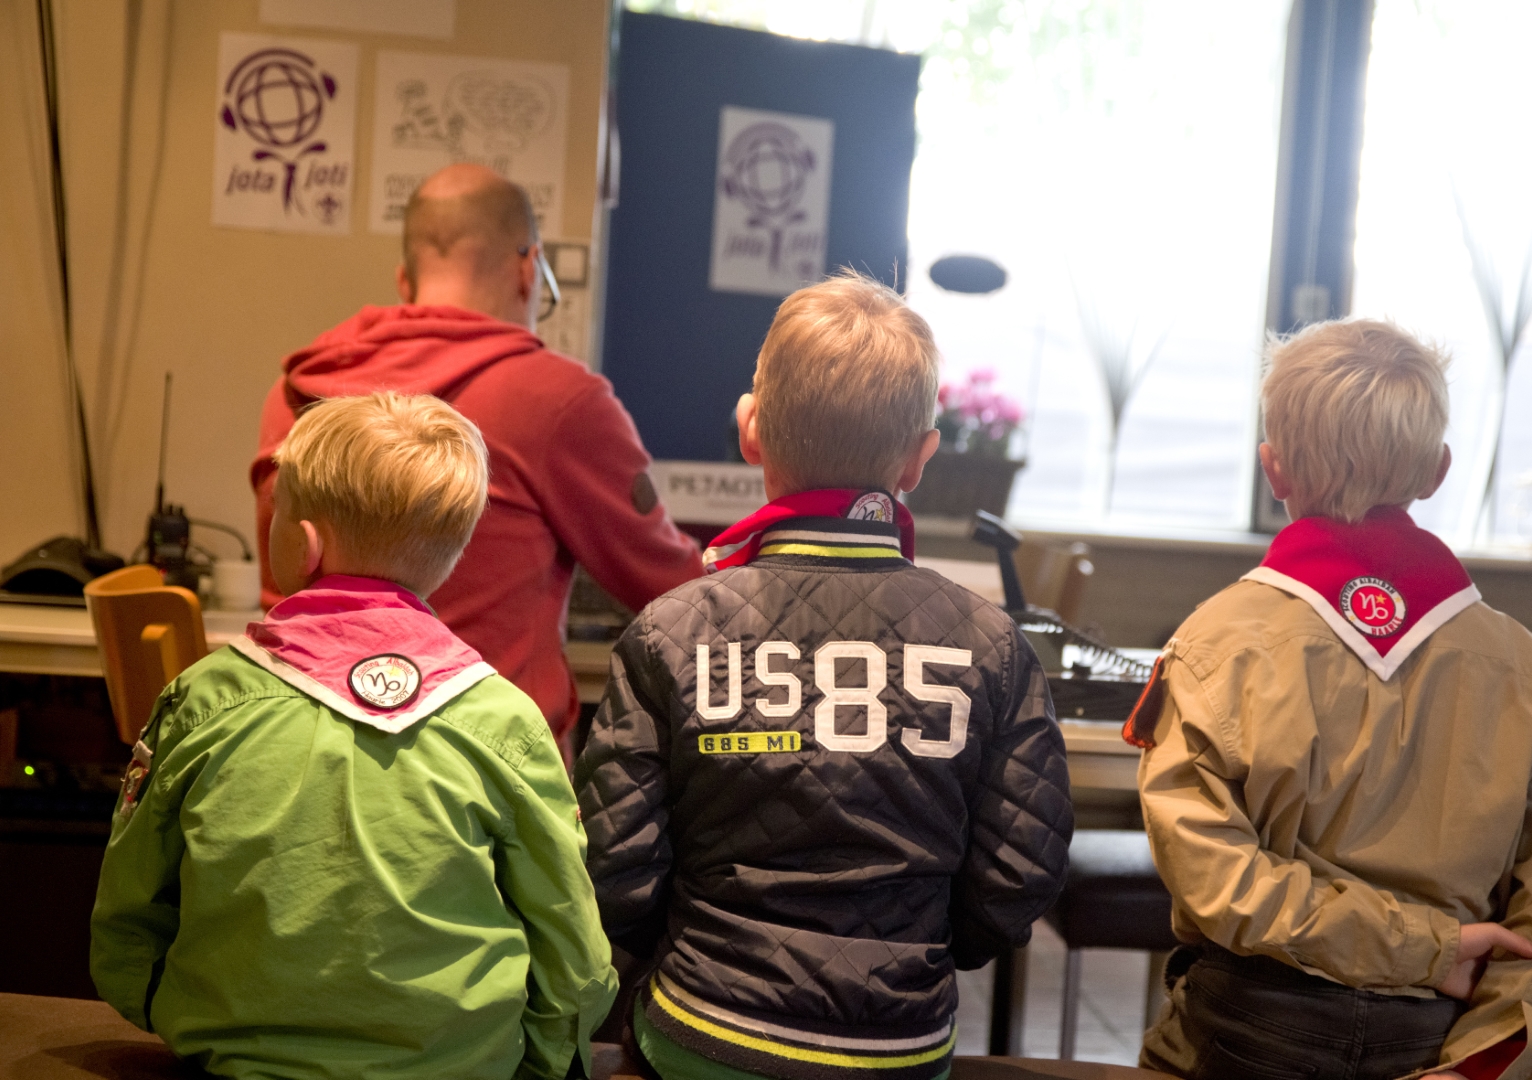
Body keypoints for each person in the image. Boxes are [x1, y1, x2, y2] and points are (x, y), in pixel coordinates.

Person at [573, 273, 1074, 1080]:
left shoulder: (668, 631)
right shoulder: (994, 645)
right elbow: (1020, 873)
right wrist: (914, 952)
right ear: (920, 460)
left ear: (750, 430)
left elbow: (616, 867)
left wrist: (698, 949)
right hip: (902, 1046)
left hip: (703, 1033)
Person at [93, 393, 617, 1080]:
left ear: (305, 545)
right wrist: (537, 1061)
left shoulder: (203, 701)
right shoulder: (503, 719)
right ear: (447, 557)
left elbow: (127, 916)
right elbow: (571, 947)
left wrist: (172, 1014)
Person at [1128, 319, 1532, 1080]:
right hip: (1437, 1038)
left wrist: (1424, 950)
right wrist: (1480, 1067)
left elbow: (1216, 881)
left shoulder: (1213, 646)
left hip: (1246, 1031)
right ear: (1438, 471)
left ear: (1273, 468)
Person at [251, 163, 703, 758]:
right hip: (489, 776)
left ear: (405, 282)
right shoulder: (559, 401)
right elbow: (680, 591)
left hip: (300, 759)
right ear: (528, 270)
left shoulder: (295, 394)